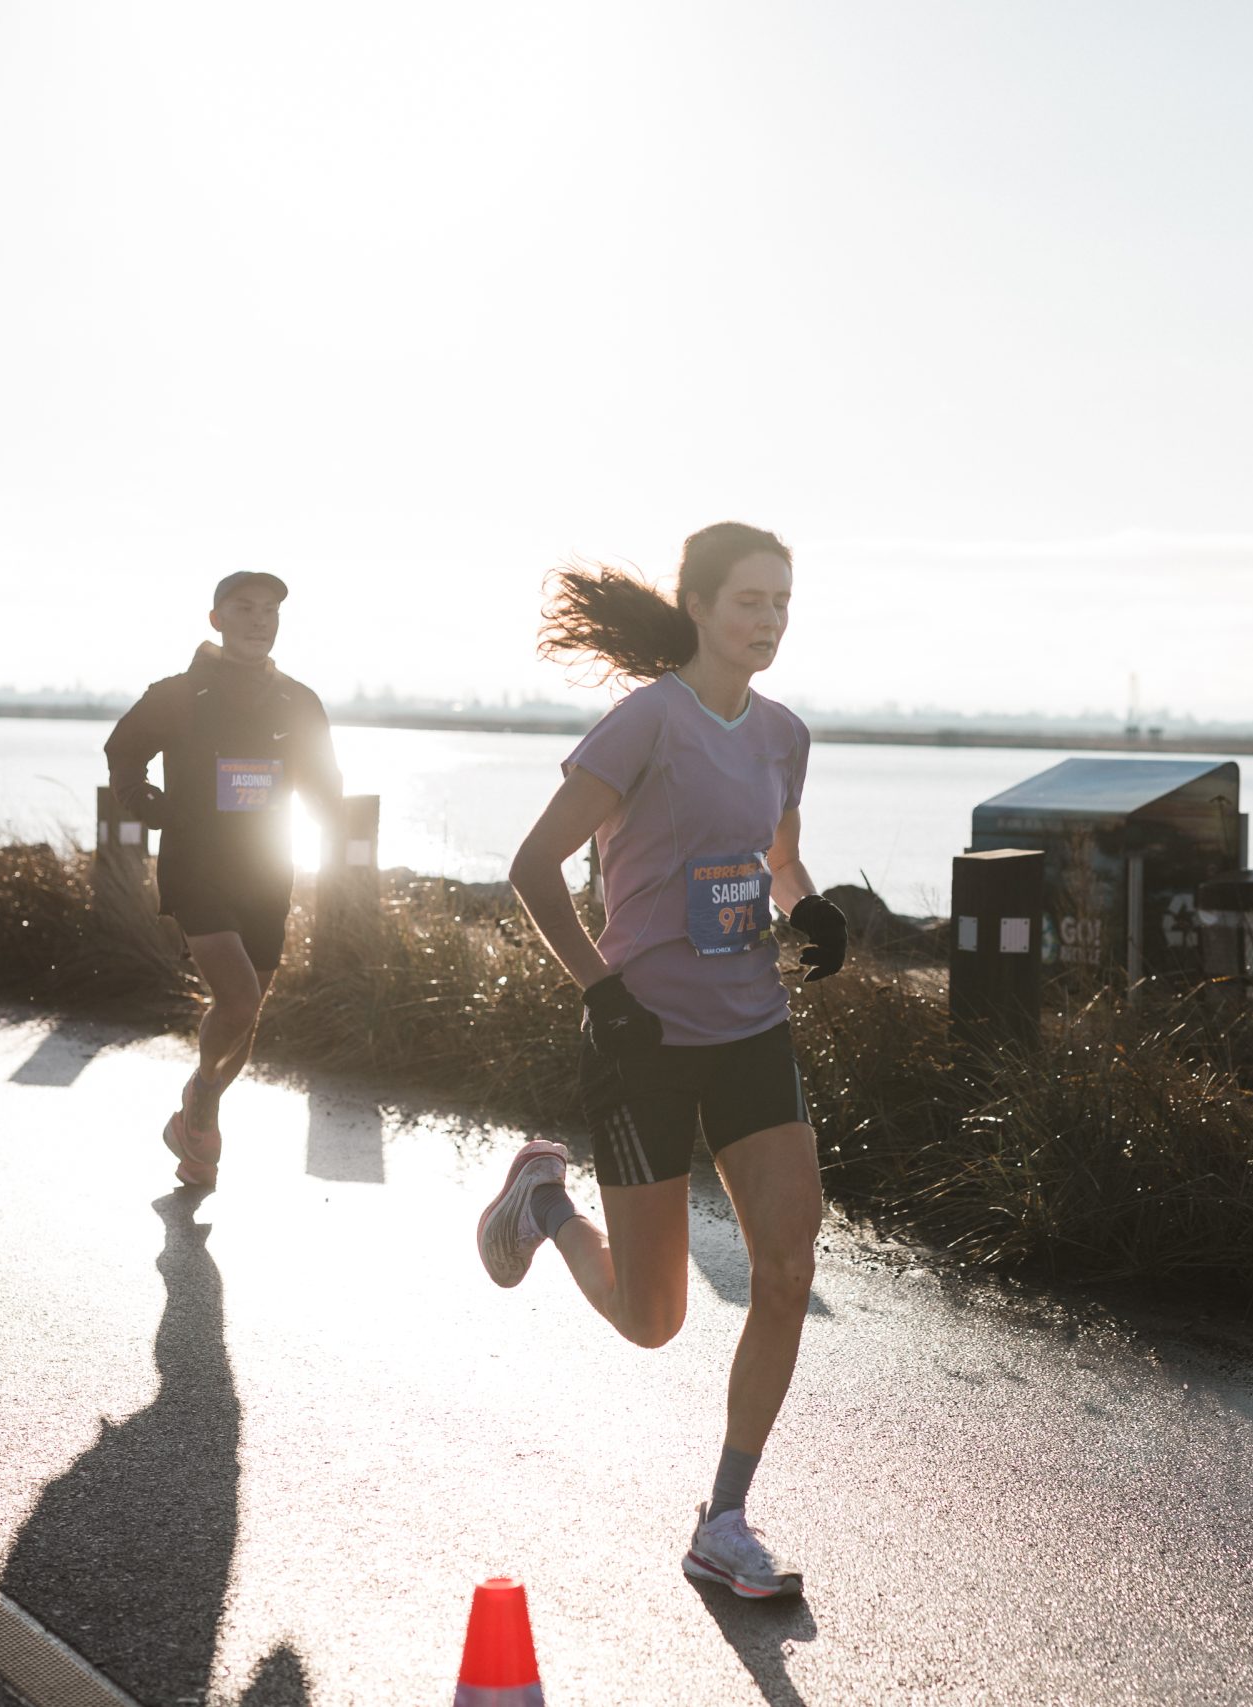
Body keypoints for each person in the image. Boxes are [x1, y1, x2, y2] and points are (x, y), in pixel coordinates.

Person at [476, 521, 850, 1601]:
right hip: (640, 1035)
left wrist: (809, 908)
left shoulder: (783, 734)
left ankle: (724, 1518)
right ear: (697, 606)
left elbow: (776, 861)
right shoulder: (645, 723)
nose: (768, 620)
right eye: (748, 601)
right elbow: (532, 868)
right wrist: (602, 992)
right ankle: (542, 1206)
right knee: (653, 1320)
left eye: (781, 601)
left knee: (785, 1268)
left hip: (749, 1028)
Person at [105, 571, 339, 1190]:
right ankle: (202, 1096)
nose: (259, 619)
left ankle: (193, 1134)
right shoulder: (180, 693)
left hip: (268, 866)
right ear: (216, 619)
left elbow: (323, 781)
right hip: (196, 864)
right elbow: (123, 748)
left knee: (248, 1012)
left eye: (270, 610)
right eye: (244, 608)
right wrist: (143, 800)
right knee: (237, 1000)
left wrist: (331, 821)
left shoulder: (298, 699)